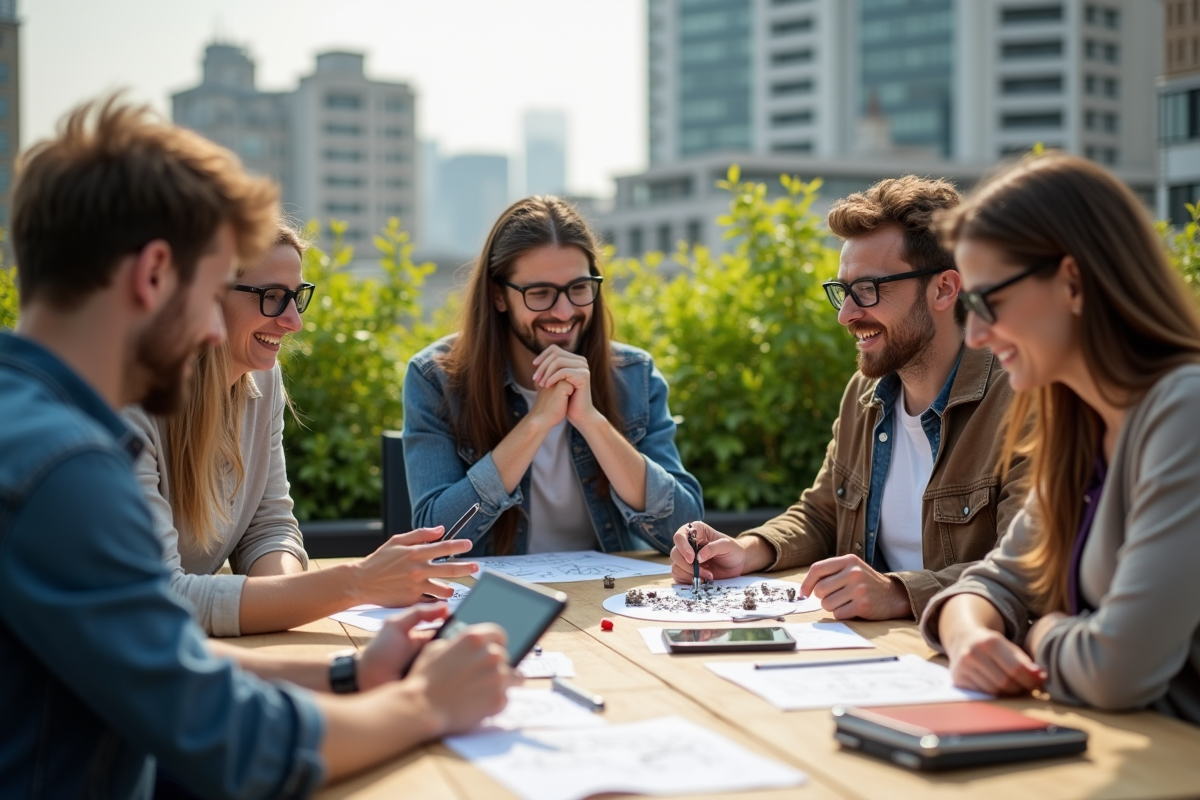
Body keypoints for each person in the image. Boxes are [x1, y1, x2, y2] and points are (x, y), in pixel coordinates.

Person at [0, 96, 513, 799]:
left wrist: (351, 674)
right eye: (212, 292)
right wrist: (425, 704)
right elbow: (231, 740)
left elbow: (163, 666)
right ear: (153, 275)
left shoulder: (31, 424)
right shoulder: (69, 471)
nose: (215, 334)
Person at [920, 154, 1200, 724]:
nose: (973, 336)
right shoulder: (1079, 425)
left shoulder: (1185, 413)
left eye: (987, 302)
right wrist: (971, 635)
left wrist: (1037, 630)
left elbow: (1116, 670)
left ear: (1072, 281)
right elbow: (993, 581)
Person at [669, 176, 1027, 621]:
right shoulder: (865, 392)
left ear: (943, 289)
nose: (846, 315)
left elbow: (1025, 568)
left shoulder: (1021, 400)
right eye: (843, 290)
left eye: (869, 290)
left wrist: (896, 593)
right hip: (867, 649)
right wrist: (745, 550)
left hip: (959, 654)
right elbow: (822, 515)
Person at [125, 224, 477, 637]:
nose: (294, 322)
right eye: (273, 298)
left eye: (295, 298)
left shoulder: (263, 379)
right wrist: (357, 583)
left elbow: (267, 528)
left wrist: (286, 601)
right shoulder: (127, 407)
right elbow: (159, 599)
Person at [403, 196, 703, 556]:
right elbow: (435, 537)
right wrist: (536, 423)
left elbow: (688, 533)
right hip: (495, 600)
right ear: (499, 296)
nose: (564, 312)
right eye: (540, 293)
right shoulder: (435, 378)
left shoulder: (634, 375)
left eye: (578, 289)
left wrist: (592, 422)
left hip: (605, 597)